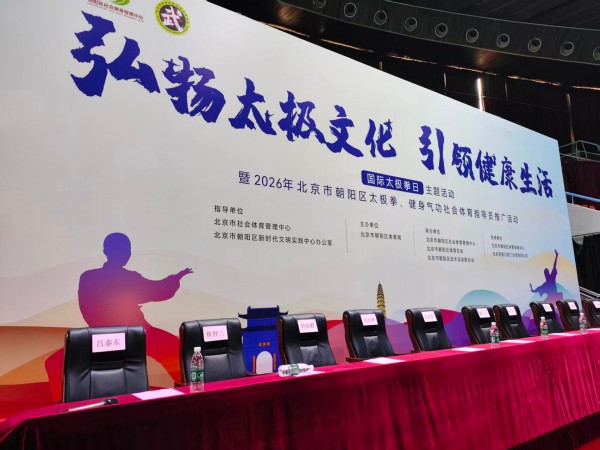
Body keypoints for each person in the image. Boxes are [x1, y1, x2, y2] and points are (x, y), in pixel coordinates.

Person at [78, 232, 192, 380]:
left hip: (102, 336)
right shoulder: (128, 278)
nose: (127, 253)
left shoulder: (87, 277)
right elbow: (158, 291)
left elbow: (86, 310)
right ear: (107, 251)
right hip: (135, 336)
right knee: (173, 347)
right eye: (125, 249)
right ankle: (187, 389)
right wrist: (175, 279)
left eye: (128, 249)